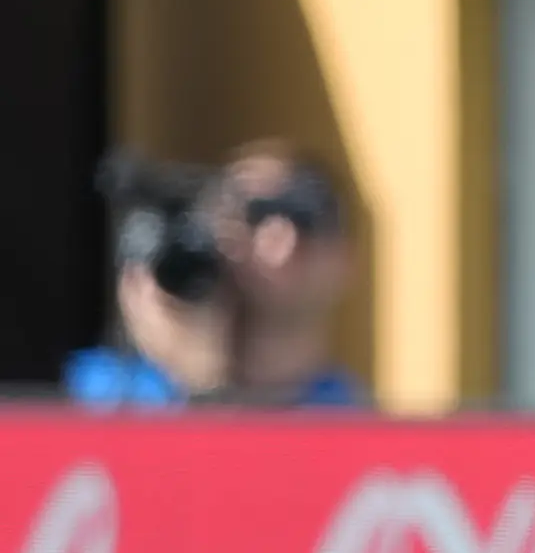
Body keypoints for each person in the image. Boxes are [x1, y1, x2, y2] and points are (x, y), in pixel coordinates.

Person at [67, 147, 365, 409]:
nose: (281, 237)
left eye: (306, 216)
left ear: (347, 260)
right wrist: (191, 379)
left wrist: (206, 390)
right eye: (251, 214)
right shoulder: (98, 396)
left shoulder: (352, 420)